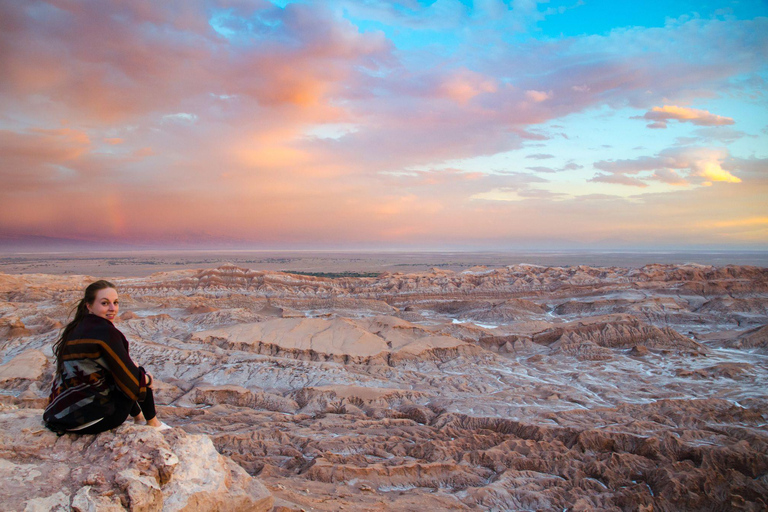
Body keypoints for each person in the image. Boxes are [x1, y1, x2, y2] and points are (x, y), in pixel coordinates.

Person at [43, 280, 167, 434]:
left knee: (124, 371)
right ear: (89, 306)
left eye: (115, 303)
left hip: (60, 416)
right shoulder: (106, 333)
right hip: (92, 419)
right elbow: (132, 382)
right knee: (138, 374)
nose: (112, 309)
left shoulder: (75, 328)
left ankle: (138, 418)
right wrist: (147, 379)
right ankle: (153, 424)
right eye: (105, 303)